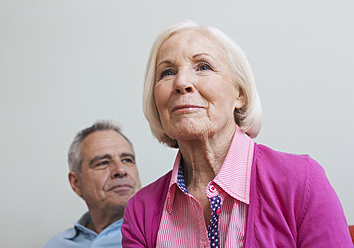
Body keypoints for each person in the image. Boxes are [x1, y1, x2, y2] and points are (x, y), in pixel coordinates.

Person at [121, 21, 353, 247]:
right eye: (167, 72)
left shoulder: (301, 181)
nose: (182, 82)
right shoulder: (140, 212)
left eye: (203, 66)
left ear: (239, 94)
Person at [45, 120, 141, 248]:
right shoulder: (57, 244)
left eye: (127, 160)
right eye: (103, 163)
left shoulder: (163, 233)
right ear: (76, 183)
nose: (120, 170)